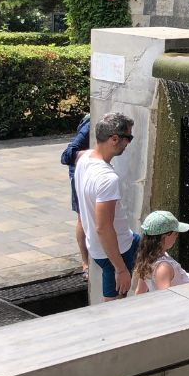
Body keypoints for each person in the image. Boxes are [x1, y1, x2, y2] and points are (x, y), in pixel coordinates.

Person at [74, 112, 138, 301]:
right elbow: (103, 228)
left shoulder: (84, 159)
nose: (128, 143)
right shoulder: (108, 179)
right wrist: (120, 269)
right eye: (129, 138)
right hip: (116, 251)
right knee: (114, 304)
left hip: (102, 246)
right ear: (114, 138)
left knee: (152, 247)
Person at [133, 211, 189, 294]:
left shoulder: (148, 259)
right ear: (164, 237)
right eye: (175, 233)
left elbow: (139, 292)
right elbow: (165, 299)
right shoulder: (162, 268)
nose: (177, 236)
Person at [60, 114, 91, 279]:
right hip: (79, 171)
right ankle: (85, 263)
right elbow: (66, 155)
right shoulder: (91, 125)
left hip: (93, 170)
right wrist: (92, 154)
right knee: (82, 218)